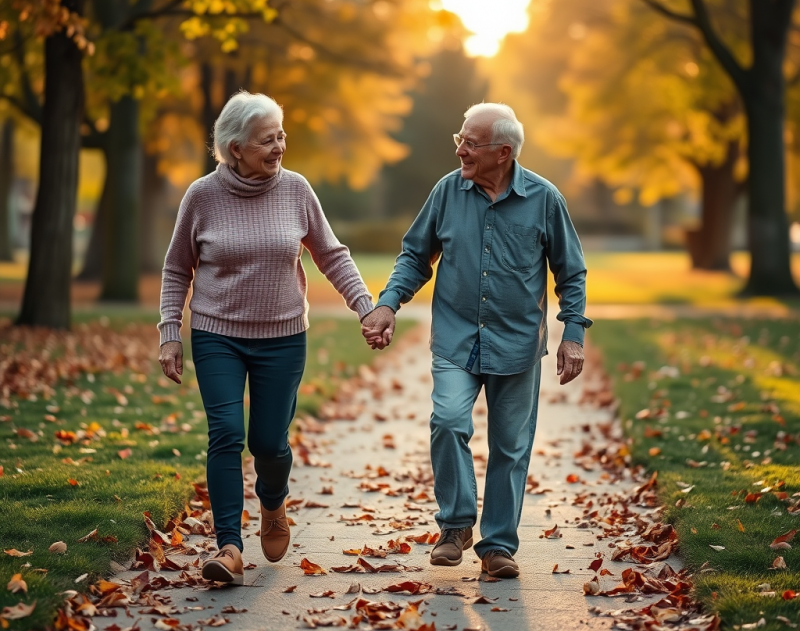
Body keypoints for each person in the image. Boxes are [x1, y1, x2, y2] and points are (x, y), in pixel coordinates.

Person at [361, 102, 591, 579]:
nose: (461, 149)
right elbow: (414, 256)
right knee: (447, 420)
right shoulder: (447, 191)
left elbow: (572, 272)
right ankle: (456, 525)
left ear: (503, 152)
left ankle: (498, 547)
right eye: (459, 139)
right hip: (456, 337)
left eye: (470, 142)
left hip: (518, 344)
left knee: (510, 447)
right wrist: (387, 304)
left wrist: (573, 335)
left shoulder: (544, 199)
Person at [158, 90, 373, 585]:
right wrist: (171, 332)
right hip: (217, 334)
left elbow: (331, 255)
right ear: (234, 147)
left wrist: (366, 307)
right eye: (266, 140)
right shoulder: (201, 196)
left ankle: (273, 506)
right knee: (226, 434)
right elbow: (176, 268)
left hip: (282, 337)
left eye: (281, 136)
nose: (278, 147)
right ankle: (228, 547)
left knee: (269, 443)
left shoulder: (296, 190)